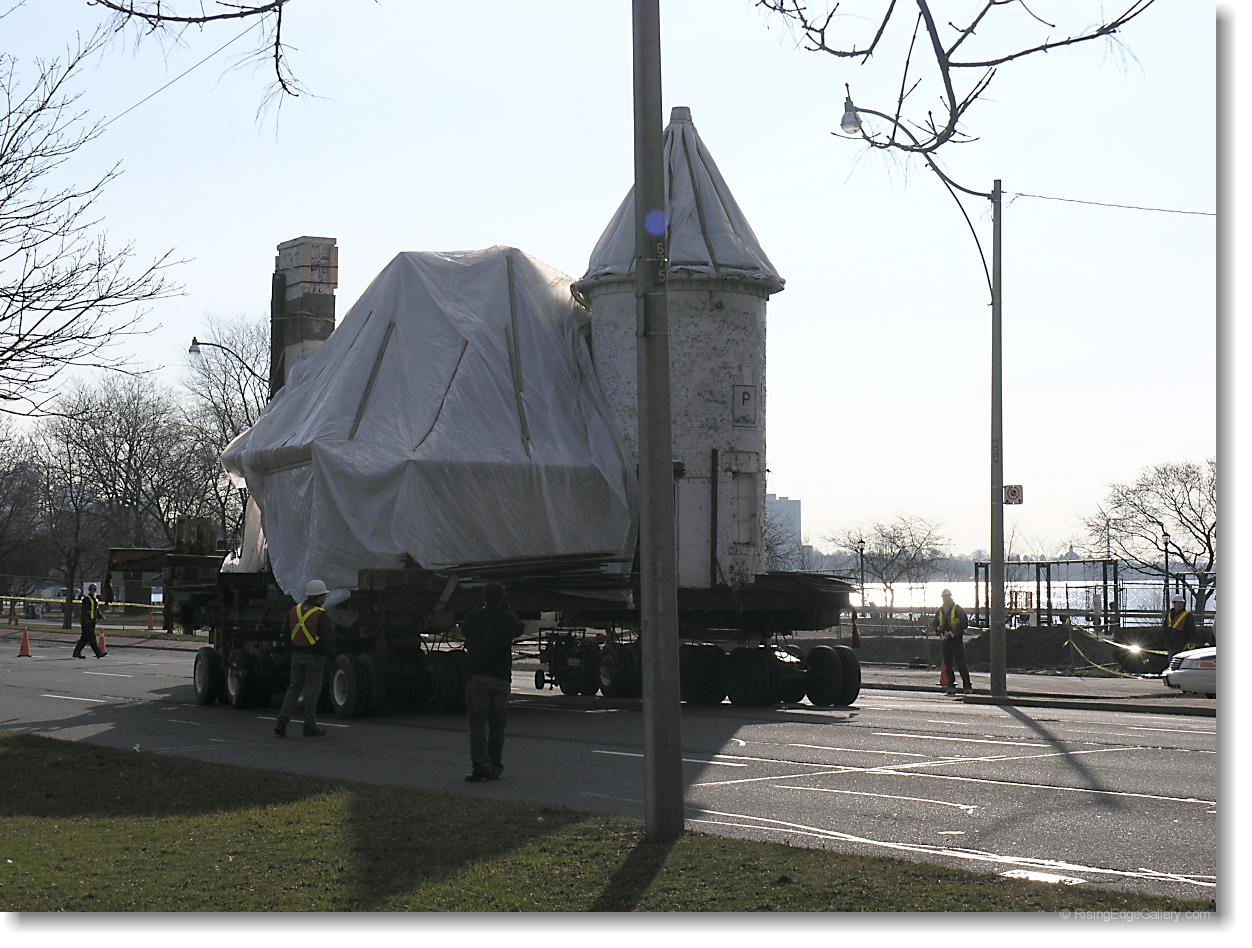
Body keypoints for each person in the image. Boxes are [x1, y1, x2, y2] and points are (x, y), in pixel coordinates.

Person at [461, 582, 523, 782]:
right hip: (501, 677)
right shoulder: (508, 618)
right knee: (497, 726)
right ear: (502, 598)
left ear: (484, 597)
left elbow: (464, 628)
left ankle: (481, 765)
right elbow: (519, 629)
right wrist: (508, 610)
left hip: (478, 675)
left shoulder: (474, 617)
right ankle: (495, 766)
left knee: (478, 724)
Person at [274, 579, 335, 738]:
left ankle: (282, 721)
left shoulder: (294, 611)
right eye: (323, 596)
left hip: (296, 655)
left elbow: (285, 634)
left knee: (293, 688)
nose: (325, 598)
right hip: (315, 657)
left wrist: (290, 651)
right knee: (312, 691)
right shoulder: (321, 615)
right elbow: (327, 640)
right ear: (319, 597)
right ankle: (309, 725)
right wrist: (331, 656)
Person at [931, 588, 971, 694]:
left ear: (950, 597)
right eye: (944, 597)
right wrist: (939, 632)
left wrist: (954, 632)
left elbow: (964, 623)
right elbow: (935, 624)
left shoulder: (957, 609)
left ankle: (967, 686)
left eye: (947, 597)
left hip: (956, 640)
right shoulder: (940, 611)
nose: (945, 599)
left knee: (961, 664)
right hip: (946, 641)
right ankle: (951, 686)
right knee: (948, 666)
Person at [73, 583, 106, 659]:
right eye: (92, 590)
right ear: (89, 590)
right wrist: (86, 620)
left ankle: (76, 652)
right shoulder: (86, 599)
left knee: (84, 639)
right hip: (87, 622)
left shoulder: (95, 599)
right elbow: (84, 611)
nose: (93, 591)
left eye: (95, 590)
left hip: (92, 621)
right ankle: (98, 653)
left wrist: (100, 616)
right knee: (92, 638)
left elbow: (96, 609)